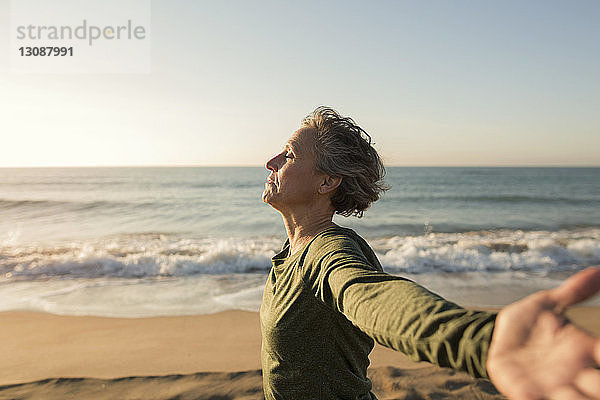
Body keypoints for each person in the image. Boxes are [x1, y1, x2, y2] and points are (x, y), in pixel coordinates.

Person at [260, 106, 600, 400]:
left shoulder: (328, 253)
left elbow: (373, 297)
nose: (270, 162)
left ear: (327, 182)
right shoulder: (289, 253)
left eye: (288, 155)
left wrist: (483, 340)